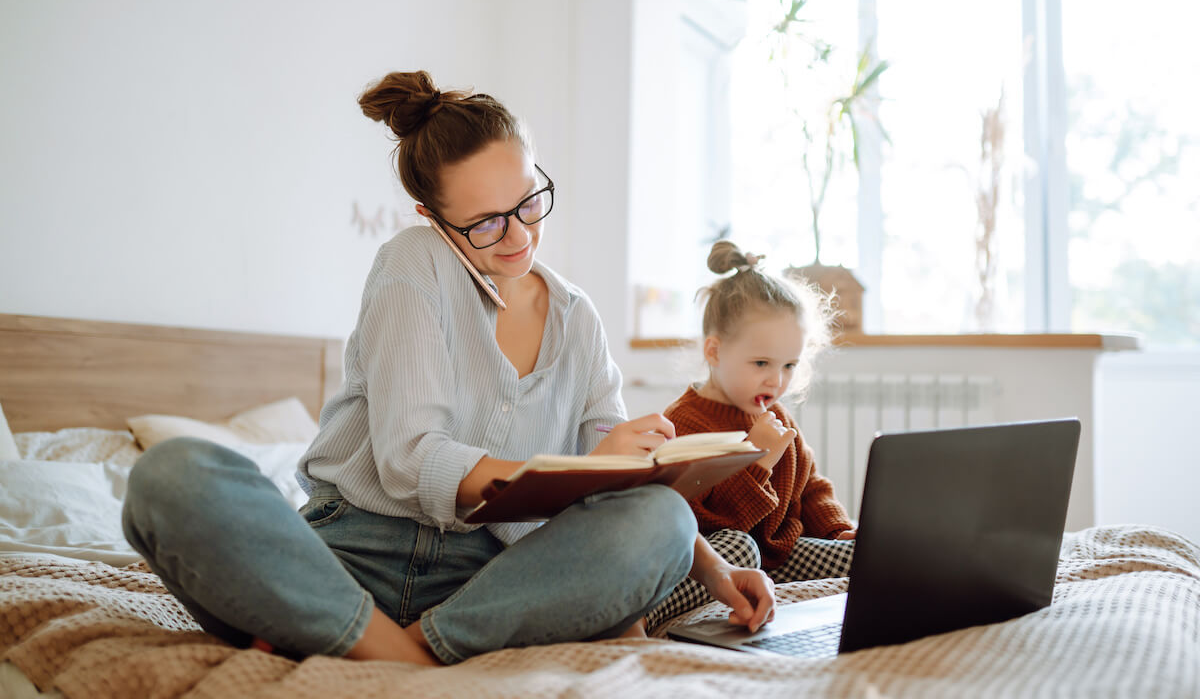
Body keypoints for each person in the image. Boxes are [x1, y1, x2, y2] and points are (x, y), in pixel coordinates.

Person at [121, 71, 774, 666]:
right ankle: (405, 659)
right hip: (344, 562)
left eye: (528, 203)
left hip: (493, 585)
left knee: (663, 519)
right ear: (433, 219)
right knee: (169, 477)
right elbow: (410, 460)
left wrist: (714, 575)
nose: (518, 236)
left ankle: (385, 647)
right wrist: (573, 470)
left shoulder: (579, 318)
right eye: (486, 224)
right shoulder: (413, 263)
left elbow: (627, 479)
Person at [644, 240, 856, 630]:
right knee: (744, 548)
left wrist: (837, 529)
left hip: (778, 555)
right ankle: (640, 614)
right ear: (714, 351)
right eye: (761, 363)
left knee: (862, 557)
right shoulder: (685, 424)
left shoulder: (778, 417)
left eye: (789, 365)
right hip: (719, 560)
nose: (776, 380)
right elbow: (696, 521)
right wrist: (756, 463)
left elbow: (811, 487)